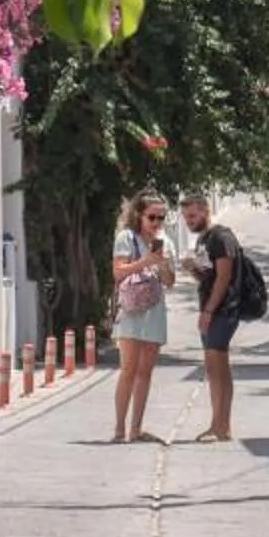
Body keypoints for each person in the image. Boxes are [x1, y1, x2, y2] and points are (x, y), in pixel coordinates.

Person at [109, 189, 176, 442]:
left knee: (145, 372)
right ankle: (119, 428)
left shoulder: (166, 242)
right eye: (152, 217)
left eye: (162, 218)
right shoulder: (126, 238)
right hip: (131, 310)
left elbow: (170, 282)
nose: (157, 223)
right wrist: (145, 261)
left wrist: (163, 264)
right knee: (128, 369)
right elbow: (118, 273)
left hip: (154, 310)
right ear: (139, 215)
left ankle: (136, 428)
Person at [181, 190, 242, 443]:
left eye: (193, 215)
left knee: (218, 366)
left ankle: (222, 426)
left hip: (223, 309)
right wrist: (193, 269)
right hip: (212, 308)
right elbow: (208, 277)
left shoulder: (221, 237)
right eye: (186, 217)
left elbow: (224, 276)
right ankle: (217, 425)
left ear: (206, 211)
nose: (189, 221)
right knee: (213, 367)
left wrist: (208, 311)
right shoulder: (204, 240)